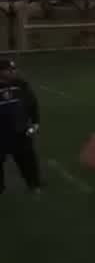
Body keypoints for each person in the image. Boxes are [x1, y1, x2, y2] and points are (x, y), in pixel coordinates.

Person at [0, 57, 43, 196]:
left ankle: (34, 184)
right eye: (9, 69)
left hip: (20, 130)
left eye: (14, 69)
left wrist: (35, 122)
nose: (13, 71)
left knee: (27, 158)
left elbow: (32, 103)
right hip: (1, 133)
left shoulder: (21, 85)